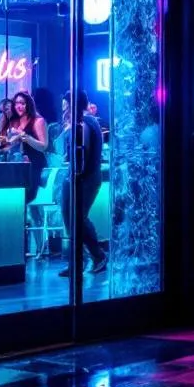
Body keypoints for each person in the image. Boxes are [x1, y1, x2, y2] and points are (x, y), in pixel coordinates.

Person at [57, 90, 108, 278]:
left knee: (76, 218)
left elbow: (82, 152)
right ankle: (86, 259)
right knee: (76, 218)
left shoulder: (84, 123)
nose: (64, 110)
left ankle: (93, 257)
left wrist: (76, 175)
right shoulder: (88, 122)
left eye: (66, 106)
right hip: (85, 176)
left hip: (83, 177)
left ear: (74, 105)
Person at [8, 91, 49, 205]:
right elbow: (10, 145)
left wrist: (26, 137)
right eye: (16, 103)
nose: (19, 106)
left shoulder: (38, 121)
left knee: (27, 197)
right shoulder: (16, 121)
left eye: (22, 103)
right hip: (20, 164)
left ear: (29, 104)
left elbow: (44, 146)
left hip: (35, 166)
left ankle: (28, 221)